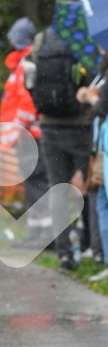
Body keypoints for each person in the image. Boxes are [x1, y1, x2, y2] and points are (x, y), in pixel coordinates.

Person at [30, 0, 102, 272]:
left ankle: (63, 254)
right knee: (88, 188)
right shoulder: (87, 39)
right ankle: (87, 246)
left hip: (50, 125)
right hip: (82, 124)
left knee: (57, 189)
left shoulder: (43, 38)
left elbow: (32, 77)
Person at [0, 17, 52, 248]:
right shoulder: (24, 63)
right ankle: (39, 234)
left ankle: (42, 236)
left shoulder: (26, 64)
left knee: (38, 184)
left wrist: (15, 131)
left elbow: (28, 104)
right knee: (35, 185)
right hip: (29, 135)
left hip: (30, 136)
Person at [78, 51, 108, 280]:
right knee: (99, 201)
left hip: (104, 146)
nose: (100, 49)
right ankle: (103, 256)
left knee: (102, 202)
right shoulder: (101, 72)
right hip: (100, 146)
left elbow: (102, 107)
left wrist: (94, 98)